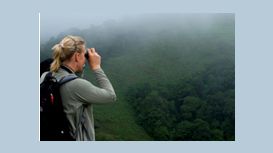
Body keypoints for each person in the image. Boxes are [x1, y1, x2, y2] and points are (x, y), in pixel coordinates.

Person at [40, 35, 116, 141]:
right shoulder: (77, 86)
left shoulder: (45, 76)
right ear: (76, 56)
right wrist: (97, 67)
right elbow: (111, 96)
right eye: (84, 55)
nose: (85, 59)